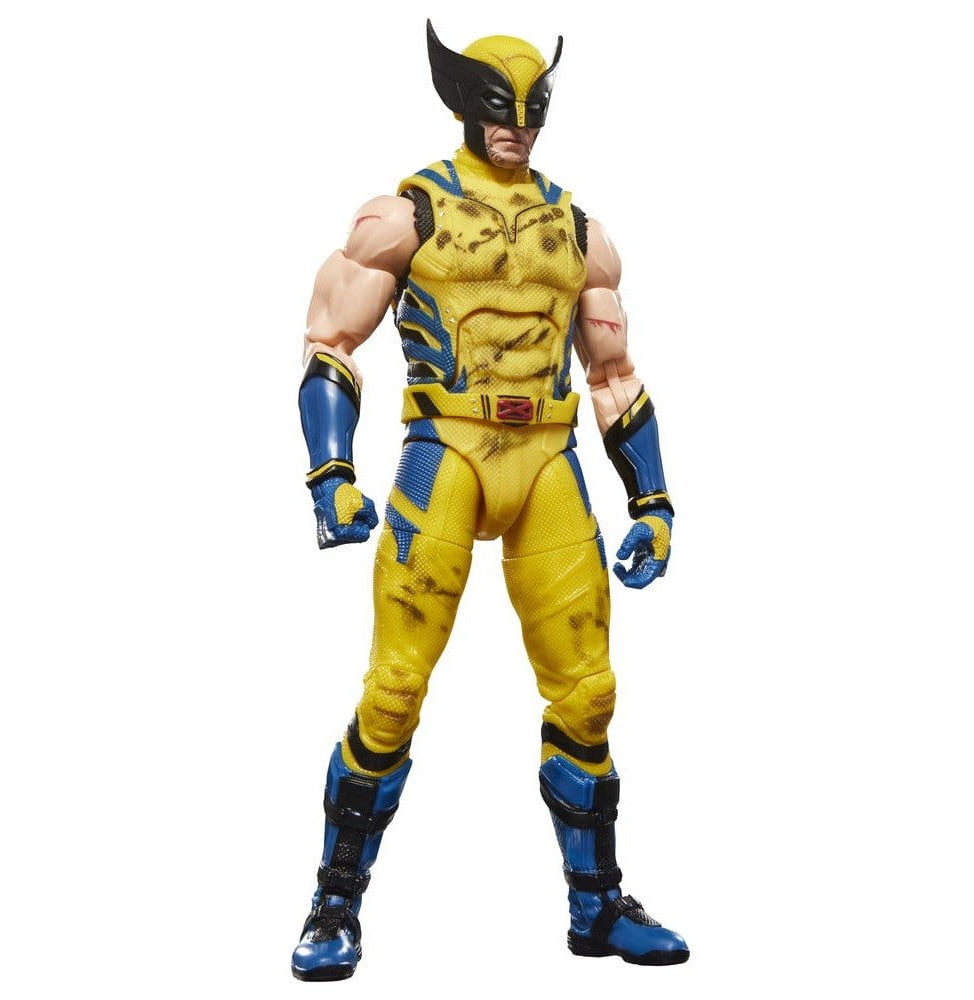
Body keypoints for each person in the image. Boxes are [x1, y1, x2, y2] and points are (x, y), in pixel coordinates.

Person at [291, 21, 688, 981]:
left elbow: (613, 372)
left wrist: (654, 499)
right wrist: (330, 475)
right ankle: (333, 905)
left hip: (549, 460)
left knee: (589, 693)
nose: (514, 123)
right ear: (461, 101)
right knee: (393, 692)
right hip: (447, 455)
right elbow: (331, 342)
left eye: (530, 106)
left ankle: (596, 907)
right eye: (495, 104)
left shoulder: (579, 232)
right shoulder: (408, 214)